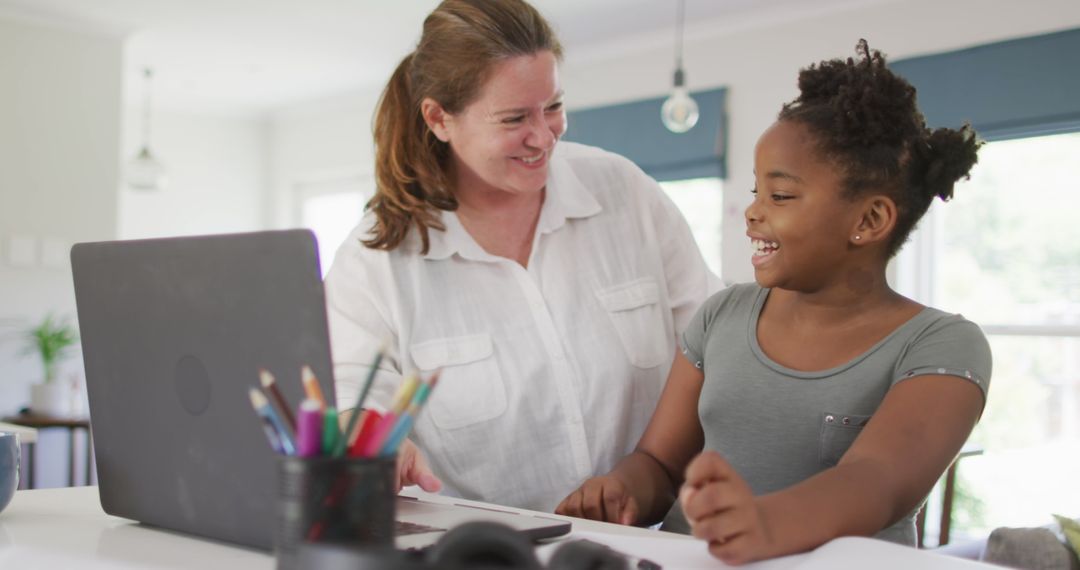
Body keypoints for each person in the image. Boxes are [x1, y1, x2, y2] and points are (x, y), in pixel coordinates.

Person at [555, 40, 991, 564]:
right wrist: (623, 488)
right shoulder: (722, 315)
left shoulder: (941, 345)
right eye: (756, 191)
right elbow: (660, 463)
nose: (753, 213)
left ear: (869, 221)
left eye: (780, 196)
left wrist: (762, 522)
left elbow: (875, 483)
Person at [323, 0, 719, 512]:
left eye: (552, 106)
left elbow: (713, 340)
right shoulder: (374, 259)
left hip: (649, 541)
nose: (543, 136)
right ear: (439, 118)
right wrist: (375, 442)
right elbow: (354, 394)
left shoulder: (624, 191)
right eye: (514, 118)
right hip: (482, 552)